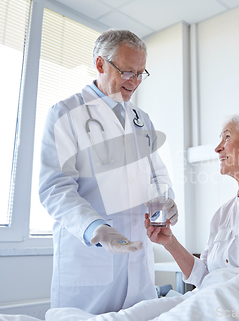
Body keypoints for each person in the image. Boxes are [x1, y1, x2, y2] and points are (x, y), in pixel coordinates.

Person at [44, 112, 239, 321]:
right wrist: (170, 243)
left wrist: (202, 296)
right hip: (226, 297)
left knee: (202, 300)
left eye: (227, 138)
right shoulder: (223, 214)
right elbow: (205, 274)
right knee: (146, 311)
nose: (218, 148)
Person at [39, 29, 178, 314]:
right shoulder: (66, 113)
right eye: (128, 71)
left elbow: (157, 176)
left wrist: (166, 203)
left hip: (138, 261)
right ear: (101, 64)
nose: (135, 82)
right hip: (90, 259)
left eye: (141, 73)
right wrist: (95, 228)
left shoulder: (141, 119)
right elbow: (55, 187)